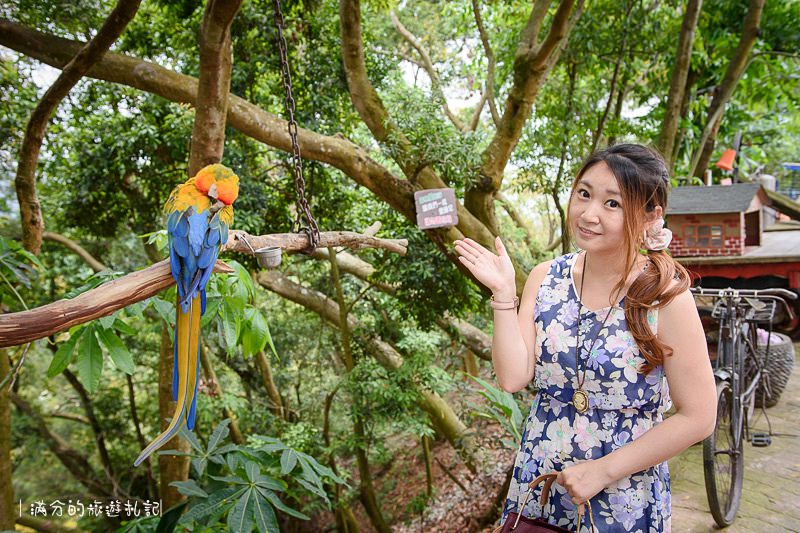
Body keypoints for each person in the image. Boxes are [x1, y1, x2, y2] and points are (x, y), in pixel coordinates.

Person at [454, 144, 716, 532]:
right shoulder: (547, 278)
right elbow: (513, 378)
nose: (589, 214)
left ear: (650, 215)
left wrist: (603, 471)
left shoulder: (665, 297)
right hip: (541, 478)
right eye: (584, 194)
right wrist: (504, 294)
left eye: (613, 203)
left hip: (622, 490)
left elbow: (699, 417)